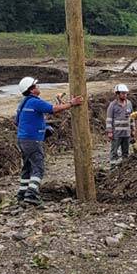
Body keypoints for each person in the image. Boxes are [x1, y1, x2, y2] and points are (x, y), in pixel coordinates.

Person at [14, 76, 81, 206]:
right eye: (36, 86)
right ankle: (32, 194)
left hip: (22, 139)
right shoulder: (35, 102)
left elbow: (17, 121)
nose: (38, 87)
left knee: (27, 167)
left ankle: (22, 194)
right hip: (32, 140)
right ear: (31, 90)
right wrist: (72, 103)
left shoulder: (23, 103)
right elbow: (54, 109)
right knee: (38, 167)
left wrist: (39, 126)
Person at [105, 83, 134, 166]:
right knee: (114, 151)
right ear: (117, 94)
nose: (125, 95)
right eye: (123, 93)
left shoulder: (129, 104)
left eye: (126, 93)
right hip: (116, 133)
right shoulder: (113, 105)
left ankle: (125, 168)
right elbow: (109, 119)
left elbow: (131, 117)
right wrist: (109, 131)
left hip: (126, 133)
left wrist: (133, 129)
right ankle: (113, 167)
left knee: (126, 152)